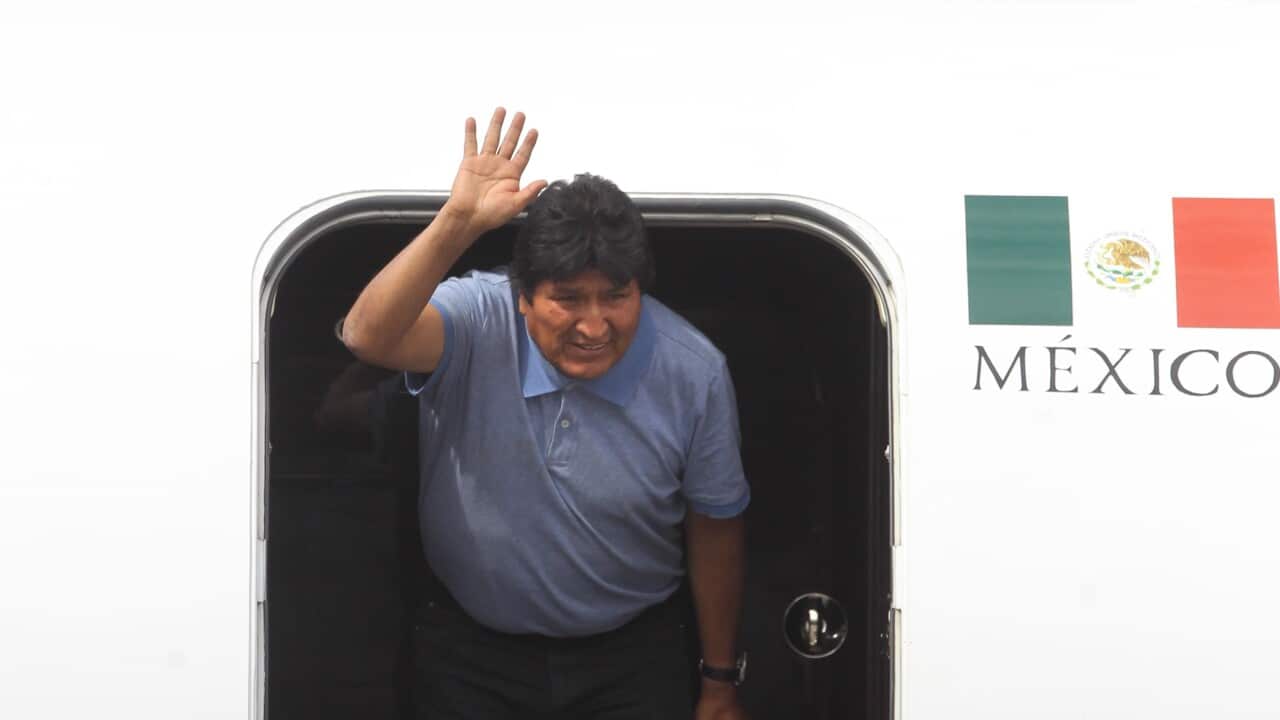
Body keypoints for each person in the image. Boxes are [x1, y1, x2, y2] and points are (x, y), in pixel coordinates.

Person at [342, 107, 750, 720]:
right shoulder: (478, 318)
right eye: (567, 300)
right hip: (470, 656)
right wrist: (458, 221)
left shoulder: (694, 371)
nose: (594, 325)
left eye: (616, 297)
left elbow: (715, 526)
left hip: (631, 660)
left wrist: (719, 683)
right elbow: (367, 337)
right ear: (522, 295)